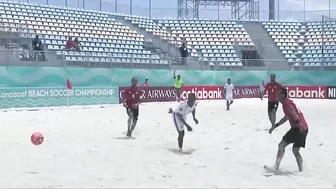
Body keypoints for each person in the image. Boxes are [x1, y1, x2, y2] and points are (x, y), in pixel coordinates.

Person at [268, 88, 308, 172]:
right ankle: (301, 170)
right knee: (295, 150)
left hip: (299, 128)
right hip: (303, 128)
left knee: (281, 145)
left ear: (282, 95)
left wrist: (299, 124)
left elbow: (293, 113)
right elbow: (286, 117)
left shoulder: (286, 103)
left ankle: (276, 166)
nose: (276, 95)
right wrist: (275, 126)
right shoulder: (285, 103)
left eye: (278, 94)